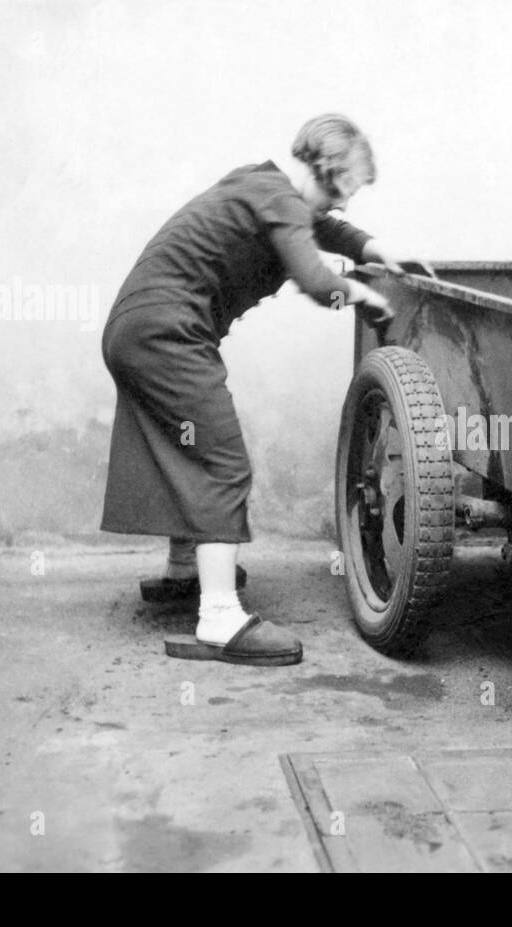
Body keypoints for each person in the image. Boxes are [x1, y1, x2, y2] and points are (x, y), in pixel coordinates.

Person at [100, 114, 406, 666]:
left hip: (136, 330)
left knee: (182, 446)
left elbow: (316, 226)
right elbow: (317, 281)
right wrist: (366, 297)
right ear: (330, 171)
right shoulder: (283, 203)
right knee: (222, 461)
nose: (348, 204)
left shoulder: (262, 185)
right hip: (167, 333)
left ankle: (185, 571)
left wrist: (369, 246)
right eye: (351, 189)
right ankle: (219, 619)